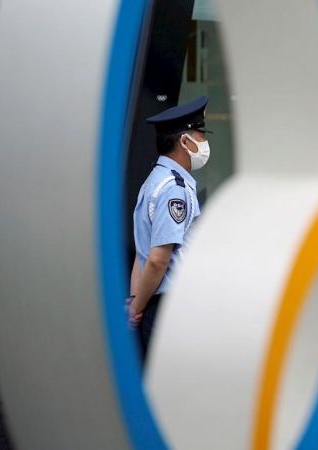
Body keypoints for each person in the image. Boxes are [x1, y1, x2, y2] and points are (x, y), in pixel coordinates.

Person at [127, 95, 212, 363]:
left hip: (151, 305)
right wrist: (138, 306)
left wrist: (134, 302)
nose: (204, 142)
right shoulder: (174, 188)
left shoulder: (153, 181)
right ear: (184, 141)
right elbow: (157, 260)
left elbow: (143, 254)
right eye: (200, 135)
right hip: (167, 309)